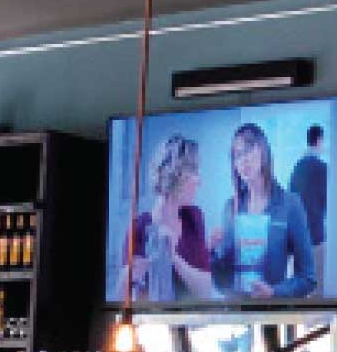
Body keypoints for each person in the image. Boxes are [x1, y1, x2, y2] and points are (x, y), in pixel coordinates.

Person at [210, 123, 319, 298]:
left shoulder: (290, 204)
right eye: (237, 155)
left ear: (263, 152)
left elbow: (307, 278)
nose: (243, 159)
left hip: (271, 311)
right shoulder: (230, 208)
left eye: (248, 149)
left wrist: (274, 292)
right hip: (235, 310)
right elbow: (222, 284)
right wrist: (211, 253)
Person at [123, 134, 214, 301]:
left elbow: (206, 292)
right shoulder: (139, 228)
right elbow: (122, 298)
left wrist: (173, 258)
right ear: (176, 176)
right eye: (194, 171)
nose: (199, 181)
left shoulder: (193, 217)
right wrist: (131, 275)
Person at [289, 124, 329, 289]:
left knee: (299, 287)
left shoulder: (297, 168)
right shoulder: (323, 168)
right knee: (317, 287)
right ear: (319, 140)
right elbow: (328, 203)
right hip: (316, 237)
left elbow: (291, 202)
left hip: (297, 239)